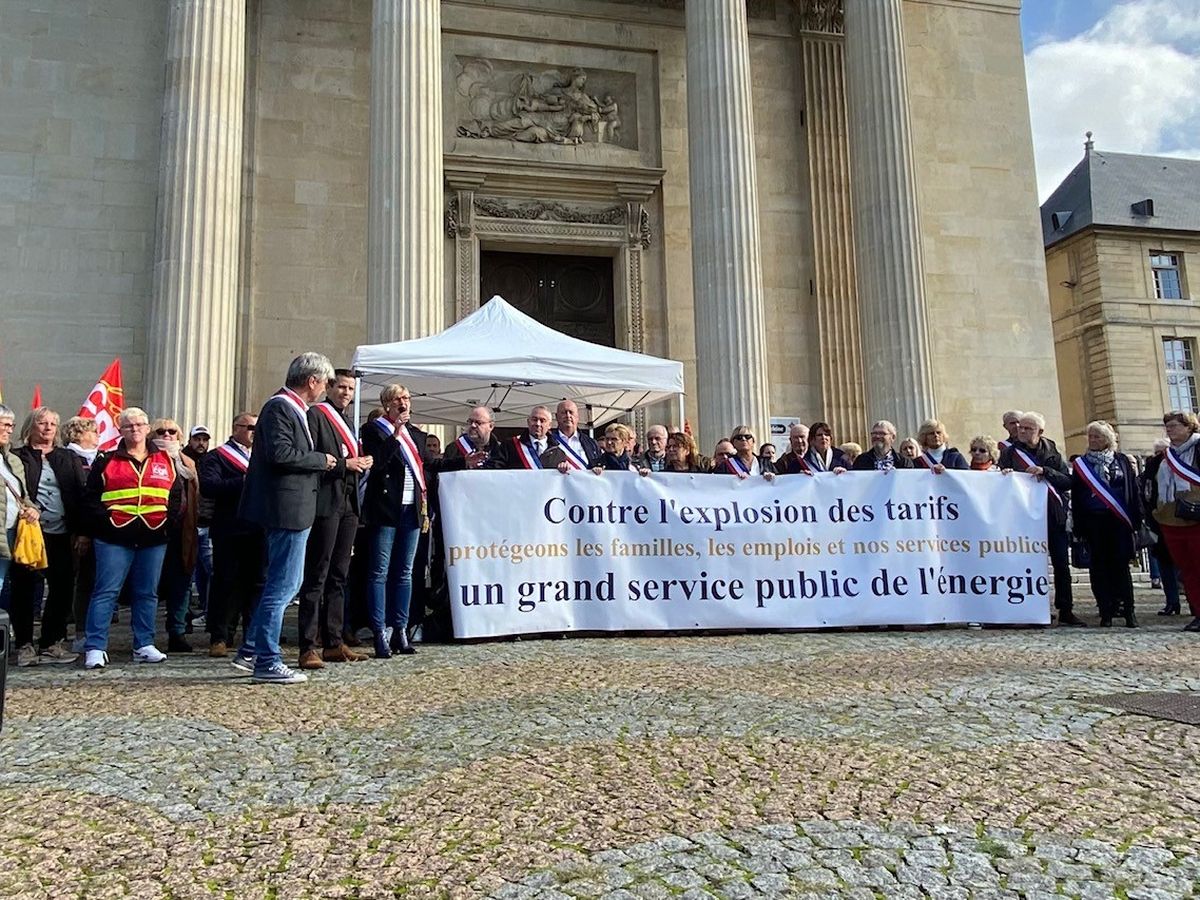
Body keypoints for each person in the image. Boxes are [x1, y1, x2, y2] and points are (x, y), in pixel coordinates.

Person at [236, 352, 339, 684]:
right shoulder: (280, 407)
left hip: (293, 507)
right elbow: (280, 454)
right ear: (312, 381)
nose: (324, 389)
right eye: (324, 383)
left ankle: (250, 650)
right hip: (286, 509)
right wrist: (320, 459)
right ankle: (267, 660)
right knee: (284, 585)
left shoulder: (293, 409)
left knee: (282, 583)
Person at [362, 384, 481, 658]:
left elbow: (430, 464)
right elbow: (378, 462)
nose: (403, 403)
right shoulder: (374, 430)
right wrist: (395, 432)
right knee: (380, 572)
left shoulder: (415, 434)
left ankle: (400, 628)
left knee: (404, 572)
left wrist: (464, 462)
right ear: (387, 404)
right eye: (397, 399)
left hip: (412, 510)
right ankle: (380, 631)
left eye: (406, 398)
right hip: (385, 508)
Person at [81, 407, 185, 669]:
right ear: (121, 430)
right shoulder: (106, 460)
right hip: (114, 536)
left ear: (147, 428)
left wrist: (166, 525)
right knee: (106, 592)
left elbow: (175, 496)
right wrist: (106, 525)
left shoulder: (165, 459)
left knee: (147, 593)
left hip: (154, 536)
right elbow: (91, 498)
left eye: (140, 424)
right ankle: (95, 646)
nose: (135, 429)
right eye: (129, 426)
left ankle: (144, 643)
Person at [296, 369, 374, 670]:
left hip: (349, 503)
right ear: (329, 387)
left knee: (340, 575)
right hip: (326, 502)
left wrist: (363, 462)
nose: (346, 393)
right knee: (318, 573)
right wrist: (346, 464)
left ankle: (334, 640)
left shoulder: (347, 421)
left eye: (351, 389)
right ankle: (308, 644)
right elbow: (313, 458)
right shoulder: (317, 415)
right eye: (342, 387)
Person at [10, 407, 82, 665]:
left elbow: (78, 494)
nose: (48, 427)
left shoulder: (68, 457)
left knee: (62, 589)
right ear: (31, 426)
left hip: (62, 532)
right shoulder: (17, 457)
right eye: (42, 423)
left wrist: (81, 531)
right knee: (24, 589)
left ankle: (52, 642)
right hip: (29, 533)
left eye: (53, 423)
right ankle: (24, 644)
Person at [999, 411, 1082, 626]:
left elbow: (1067, 481)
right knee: (1026, 564)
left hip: (1052, 514)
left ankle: (1065, 609)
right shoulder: (1010, 453)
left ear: (1040, 431)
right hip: (1023, 518)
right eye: (1021, 428)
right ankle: (1030, 608)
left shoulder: (1052, 451)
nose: (1022, 431)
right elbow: (998, 484)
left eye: (1028, 428)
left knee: (1061, 564)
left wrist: (1046, 471)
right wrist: (1005, 476)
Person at [199, 412, 263, 658]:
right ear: (235, 428)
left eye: (256, 428)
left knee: (257, 583)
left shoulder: (262, 457)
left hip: (259, 527)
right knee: (226, 582)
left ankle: (253, 634)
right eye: (247, 427)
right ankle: (220, 636)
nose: (252, 432)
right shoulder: (217, 456)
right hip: (230, 528)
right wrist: (244, 481)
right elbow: (209, 486)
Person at [1070, 420, 1142, 627]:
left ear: (1107, 439)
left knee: (1120, 567)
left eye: (1097, 436)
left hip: (1119, 522)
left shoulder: (1122, 461)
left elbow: (1132, 491)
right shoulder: (1082, 464)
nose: (1092, 440)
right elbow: (1077, 495)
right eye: (1090, 436)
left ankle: (1129, 611)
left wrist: (1136, 519)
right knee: (1099, 568)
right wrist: (1078, 525)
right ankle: (1106, 611)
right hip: (1093, 522)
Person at [149, 417, 199, 653]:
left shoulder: (187, 462)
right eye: (161, 431)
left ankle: (177, 632)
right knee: (149, 585)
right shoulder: (146, 458)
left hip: (182, 532)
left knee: (182, 583)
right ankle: (146, 635)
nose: (167, 435)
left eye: (172, 431)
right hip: (152, 530)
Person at [1148, 410, 1200, 631]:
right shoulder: (1165, 457)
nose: (1169, 429)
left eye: (1175, 425)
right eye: (1167, 425)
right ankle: (1197, 612)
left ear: (1189, 427)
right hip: (1171, 520)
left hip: (1196, 517)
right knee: (1186, 569)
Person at [61, 415, 100, 651]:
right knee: (83, 582)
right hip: (75, 530)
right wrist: (81, 532)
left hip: (101, 529)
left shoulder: (101, 458)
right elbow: (73, 497)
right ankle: (81, 632)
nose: (97, 435)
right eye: (93, 431)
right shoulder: (67, 458)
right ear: (79, 434)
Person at [0, 405, 41, 613]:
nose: (9, 430)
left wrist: (33, 509)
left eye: (12, 425)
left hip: (12, 533)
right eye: (5, 425)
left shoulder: (12, 460)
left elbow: (24, 496)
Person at [1141, 437, 1182, 616]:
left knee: (1184, 565)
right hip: (1160, 520)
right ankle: (1172, 601)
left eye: (1162, 450)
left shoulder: (1182, 462)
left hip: (1182, 518)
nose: (1160, 454)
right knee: (1165, 565)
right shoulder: (1152, 466)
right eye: (1157, 451)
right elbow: (1146, 491)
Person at [183, 425, 213, 631]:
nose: (201, 443)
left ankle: (208, 610)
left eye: (204, 439)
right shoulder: (182, 460)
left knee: (209, 572)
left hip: (207, 521)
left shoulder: (211, 460)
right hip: (188, 524)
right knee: (187, 573)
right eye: (197, 439)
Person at [443, 406, 510, 469]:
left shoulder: (501, 451)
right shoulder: (454, 448)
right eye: (470, 421)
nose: (473, 425)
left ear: (491, 426)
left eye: (478, 422)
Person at [550, 399, 601, 470]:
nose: (568, 415)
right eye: (564, 412)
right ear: (556, 416)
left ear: (577, 416)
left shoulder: (591, 443)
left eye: (571, 412)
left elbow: (598, 466)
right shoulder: (548, 440)